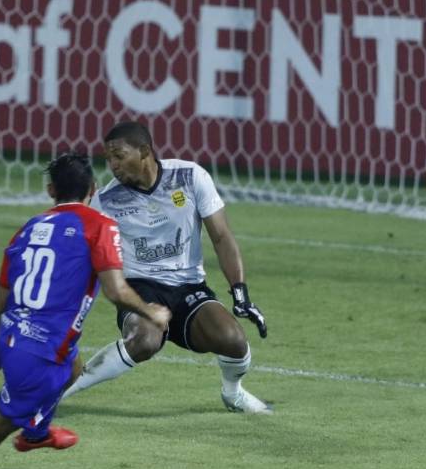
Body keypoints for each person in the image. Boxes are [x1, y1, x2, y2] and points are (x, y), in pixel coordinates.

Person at [0, 152, 171, 469]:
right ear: (93, 189)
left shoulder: (28, 229)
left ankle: (37, 430)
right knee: (2, 422)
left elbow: (0, 302)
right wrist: (151, 311)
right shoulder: (100, 226)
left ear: (51, 190)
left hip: (15, 334)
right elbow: (116, 291)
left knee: (74, 366)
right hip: (40, 351)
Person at [61, 121, 272, 414]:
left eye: (119, 156)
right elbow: (77, 255)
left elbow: (221, 236)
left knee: (233, 340)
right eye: (108, 158)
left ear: (144, 151)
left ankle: (233, 393)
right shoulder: (105, 201)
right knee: (145, 340)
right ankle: (60, 392)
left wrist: (240, 293)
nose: (112, 165)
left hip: (189, 288)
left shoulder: (190, 176)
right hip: (139, 289)